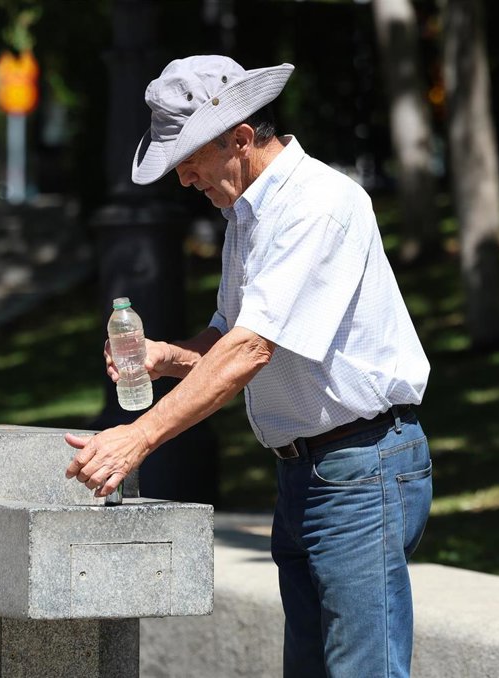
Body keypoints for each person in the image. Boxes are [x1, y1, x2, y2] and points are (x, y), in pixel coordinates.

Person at [65, 54, 432, 678]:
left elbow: (250, 351)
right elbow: (229, 335)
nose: (184, 179)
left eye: (189, 160)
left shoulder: (317, 204)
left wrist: (138, 438)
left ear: (240, 139)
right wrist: (167, 358)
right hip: (308, 473)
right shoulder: (248, 212)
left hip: (360, 468)